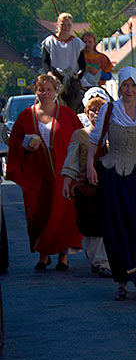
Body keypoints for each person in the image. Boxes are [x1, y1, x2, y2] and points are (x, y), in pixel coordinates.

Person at [87, 67, 136, 301]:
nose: (129, 90)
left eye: (133, 85)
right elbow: (95, 140)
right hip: (113, 177)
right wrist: (90, 167)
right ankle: (121, 279)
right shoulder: (109, 110)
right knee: (117, 227)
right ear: (120, 87)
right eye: (125, 85)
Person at [7, 74, 83, 271]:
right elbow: (14, 143)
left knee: (63, 213)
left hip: (63, 173)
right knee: (40, 213)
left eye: (49, 90)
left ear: (56, 91)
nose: (45, 94)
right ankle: (43, 255)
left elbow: (79, 139)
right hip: (37, 174)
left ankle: (63, 257)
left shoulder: (67, 115)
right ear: (35, 91)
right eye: (42, 90)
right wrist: (26, 146)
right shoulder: (26, 116)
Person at [61, 94, 112, 278]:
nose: (96, 113)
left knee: (109, 223)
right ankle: (99, 261)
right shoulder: (80, 135)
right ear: (86, 112)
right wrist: (68, 180)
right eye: (92, 110)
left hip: (109, 186)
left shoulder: (112, 134)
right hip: (87, 188)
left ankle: (106, 260)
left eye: (100, 110)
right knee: (92, 225)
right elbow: (72, 159)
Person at [41, 13, 85, 81]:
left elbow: (82, 63)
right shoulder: (49, 42)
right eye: (63, 25)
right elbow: (45, 62)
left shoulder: (78, 43)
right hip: (54, 77)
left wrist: (78, 75)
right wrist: (51, 75)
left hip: (73, 77)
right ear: (58, 24)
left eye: (68, 25)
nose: (66, 28)